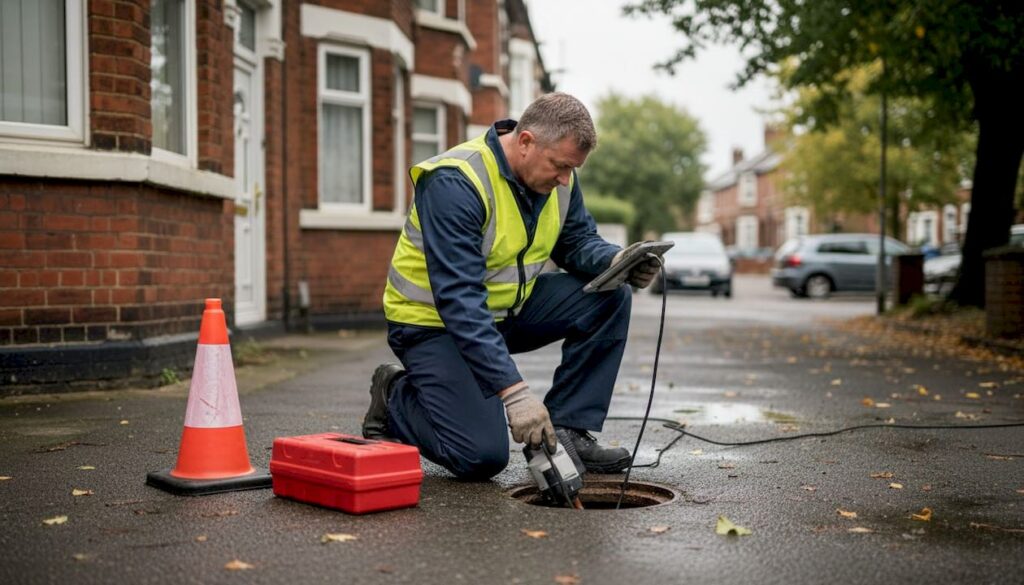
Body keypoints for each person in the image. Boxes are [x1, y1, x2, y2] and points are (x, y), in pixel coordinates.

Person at [362, 92, 661, 480]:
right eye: (559, 166)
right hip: (433, 325)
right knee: (480, 456)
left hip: (507, 313)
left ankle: (569, 431)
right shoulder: (455, 182)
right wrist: (514, 392)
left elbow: (576, 241)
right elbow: (460, 300)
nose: (565, 178)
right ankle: (394, 398)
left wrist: (616, 261)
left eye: (572, 169)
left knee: (609, 295)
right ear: (525, 142)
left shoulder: (559, 179)